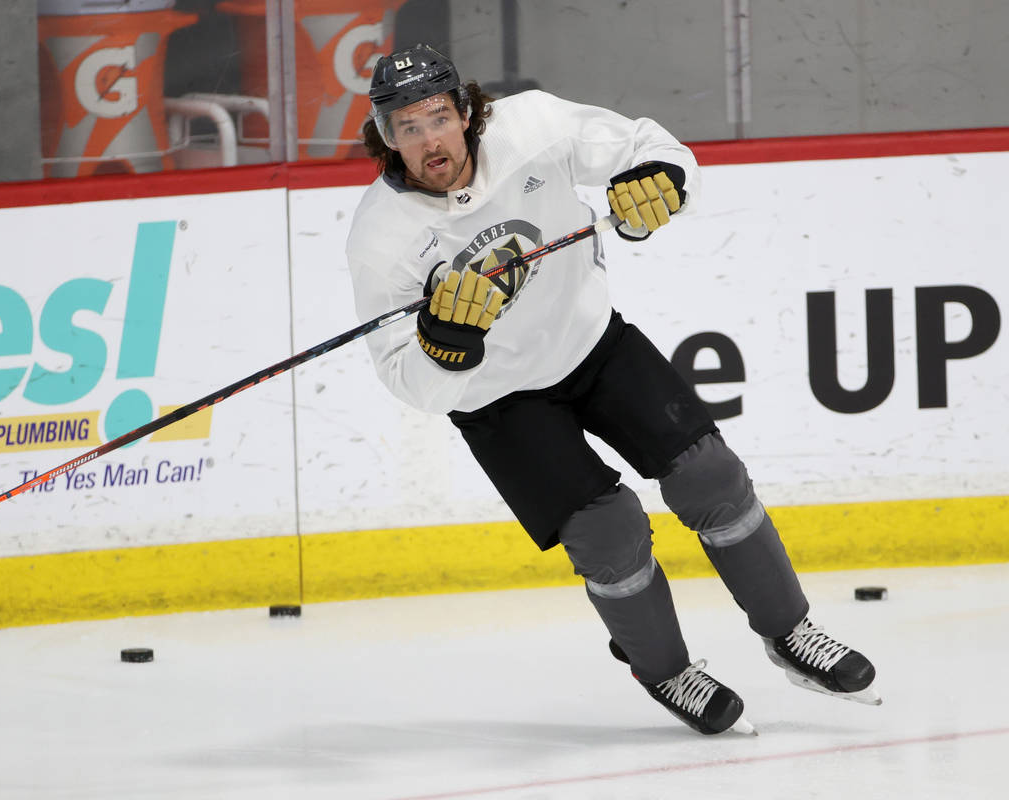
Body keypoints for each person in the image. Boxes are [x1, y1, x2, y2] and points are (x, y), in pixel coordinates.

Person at [344, 43, 880, 736]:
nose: (427, 141)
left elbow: (649, 148)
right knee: (611, 531)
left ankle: (790, 631)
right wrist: (444, 345)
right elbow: (403, 378)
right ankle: (664, 669)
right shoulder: (381, 236)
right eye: (407, 128)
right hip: (499, 402)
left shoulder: (532, 127)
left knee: (711, 475)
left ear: (468, 113)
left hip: (592, 344)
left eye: (438, 118)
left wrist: (656, 183)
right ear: (386, 137)